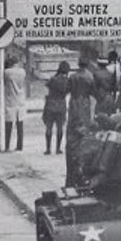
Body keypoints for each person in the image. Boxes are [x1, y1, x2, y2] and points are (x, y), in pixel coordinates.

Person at [66, 57, 95, 187]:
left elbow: (68, 89)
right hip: (85, 103)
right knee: (84, 135)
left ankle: (71, 177)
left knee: (72, 135)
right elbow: (92, 91)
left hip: (74, 102)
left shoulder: (72, 76)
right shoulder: (90, 76)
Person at [42, 61, 70, 155]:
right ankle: (58, 148)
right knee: (60, 127)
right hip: (61, 104)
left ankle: (48, 148)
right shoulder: (67, 81)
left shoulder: (53, 79)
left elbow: (47, 85)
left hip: (50, 104)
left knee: (49, 127)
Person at [4, 57, 26, 151]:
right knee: (20, 124)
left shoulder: (7, 72)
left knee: (8, 124)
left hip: (10, 100)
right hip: (20, 99)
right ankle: (20, 145)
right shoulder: (22, 72)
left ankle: (7, 144)